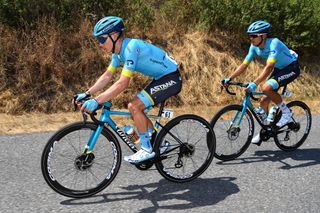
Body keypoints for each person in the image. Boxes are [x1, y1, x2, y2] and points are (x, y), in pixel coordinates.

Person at [74, 16, 182, 163]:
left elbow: (122, 83)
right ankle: (160, 144)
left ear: (113, 36)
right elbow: (107, 75)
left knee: (134, 106)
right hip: (160, 78)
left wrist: (96, 100)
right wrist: (87, 94)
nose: (100, 44)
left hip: (171, 77)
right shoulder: (117, 54)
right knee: (138, 111)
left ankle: (146, 149)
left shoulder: (131, 47)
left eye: (101, 39)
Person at [222, 20, 300, 144]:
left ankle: (286, 112)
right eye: (249, 36)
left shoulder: (274, 43)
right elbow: (244, 64)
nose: (251, 39)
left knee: (265, 88)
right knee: (263, 102)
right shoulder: (254, 47)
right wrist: (229, 78)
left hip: (291, 68)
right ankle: (267, 129)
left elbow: (269, 67)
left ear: (263, 36)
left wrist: (255, 83)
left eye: (254, 36)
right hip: (279, 69)